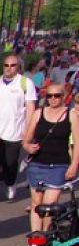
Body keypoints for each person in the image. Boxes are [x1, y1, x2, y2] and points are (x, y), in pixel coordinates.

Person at [22, 80, 79, 231]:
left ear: (64, 96)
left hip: (59, 165)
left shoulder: (71, 115)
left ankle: (46, 235)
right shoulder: (38, 113)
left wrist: (74, 165)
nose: (53, 99)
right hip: (37, 164)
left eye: (57, 95)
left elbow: (77, 143)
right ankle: (36, 236)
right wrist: (28, 147)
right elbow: (26, 140)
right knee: (36, 203)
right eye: (49, 96)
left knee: (49, 206)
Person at [0, 55, 38, 203]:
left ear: (18, 67)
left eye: (13, 65)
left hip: (14, 132)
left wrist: (28, 130)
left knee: (9, 163)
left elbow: (30, 108)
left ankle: (10, 182)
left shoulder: (25, 83)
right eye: (6, 65)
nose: (9, 68)